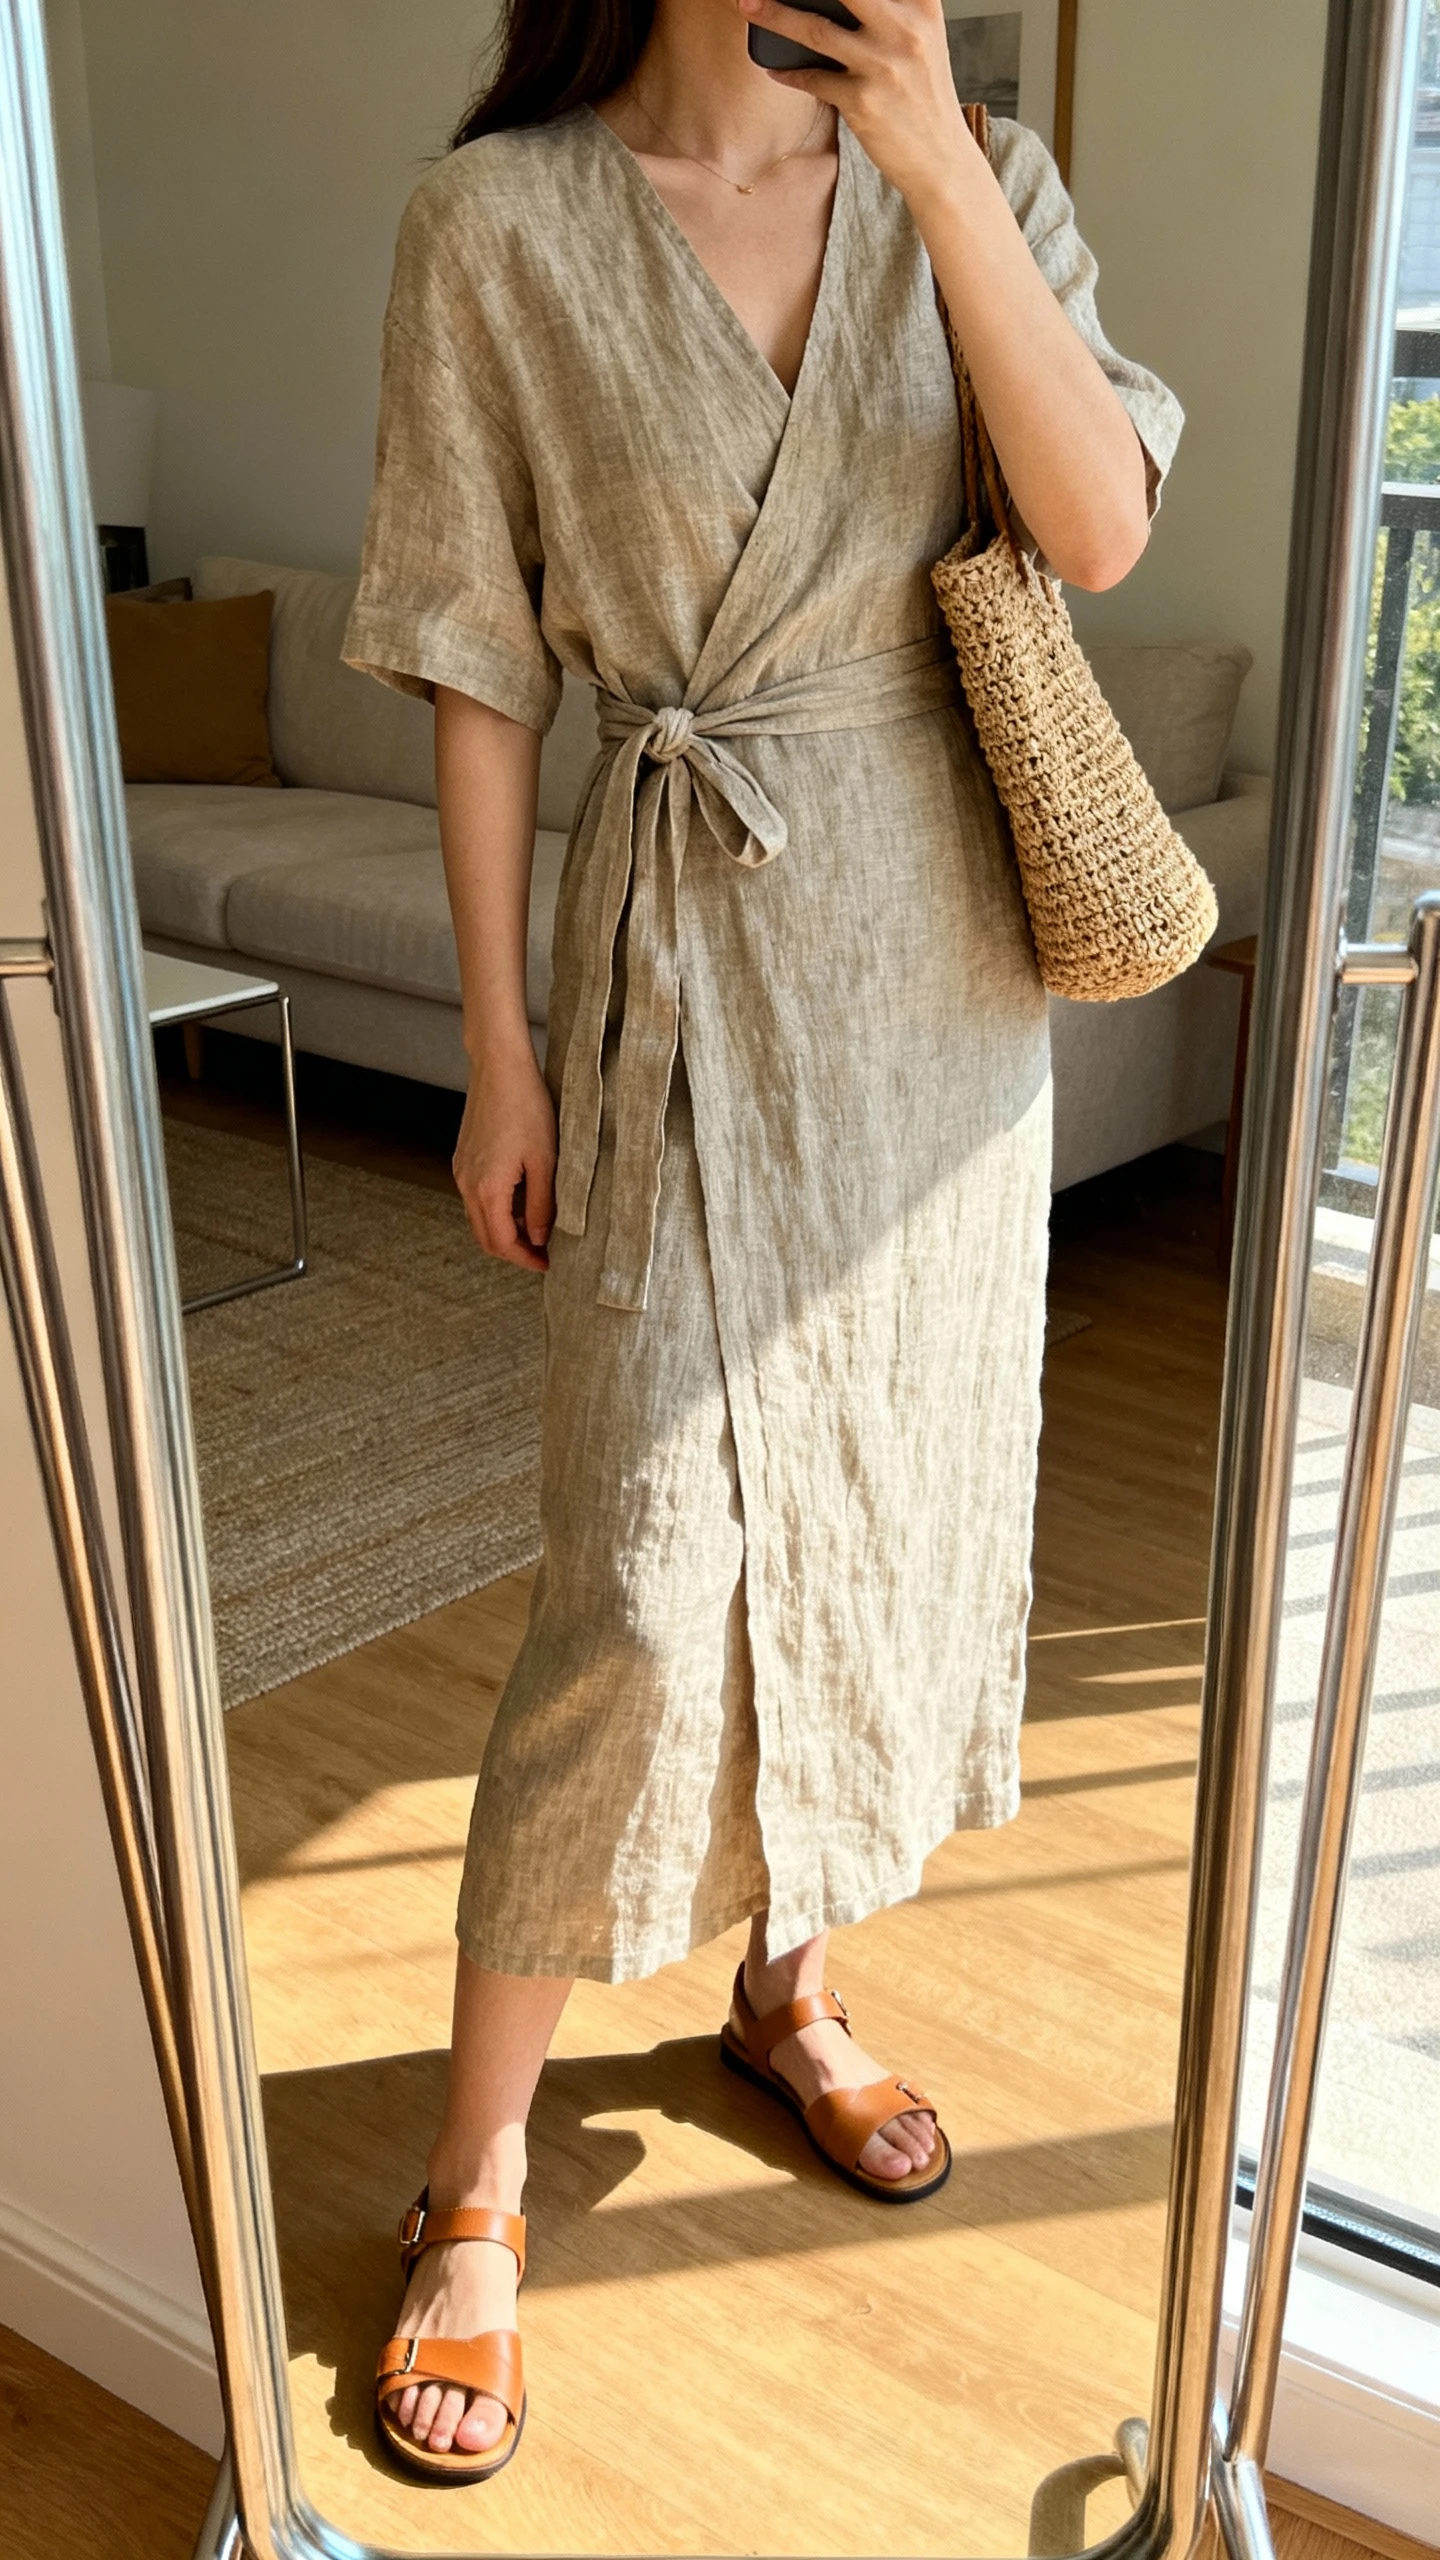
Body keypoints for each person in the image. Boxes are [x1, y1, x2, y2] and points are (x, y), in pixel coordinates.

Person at [345, 0, 1181, 2485]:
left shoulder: (980, 179)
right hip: (675, 951)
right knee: (634, 1571)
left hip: (932, 975)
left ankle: (784, 1982)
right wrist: (500, 1047)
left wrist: (933, 163)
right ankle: (475, 2173)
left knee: (890, 1492)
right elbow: (475, 656)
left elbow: (1099, 533)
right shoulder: (496, 223)